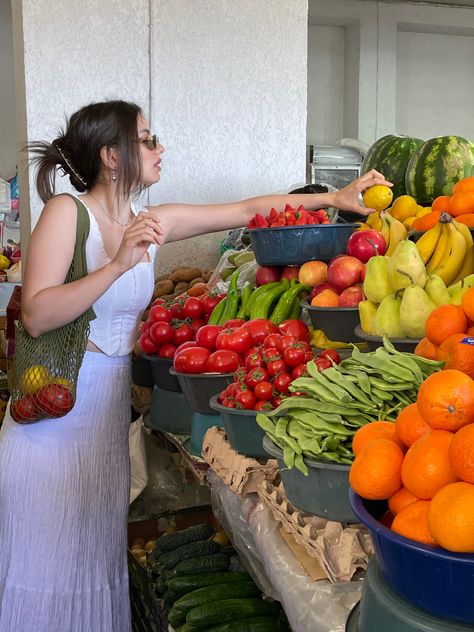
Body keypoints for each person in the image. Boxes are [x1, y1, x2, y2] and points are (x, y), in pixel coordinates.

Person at [0, 99, 391, 631]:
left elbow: (241, 210)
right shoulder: (68, 213)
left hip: (104, 419)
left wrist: (332, 198)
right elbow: (40, 313)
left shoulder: (147, 222)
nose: (160, 148)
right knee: (49, 562)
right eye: (146, 139)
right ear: (112, 156)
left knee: (91, 555)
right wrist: (117, 265)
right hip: (56, 421)